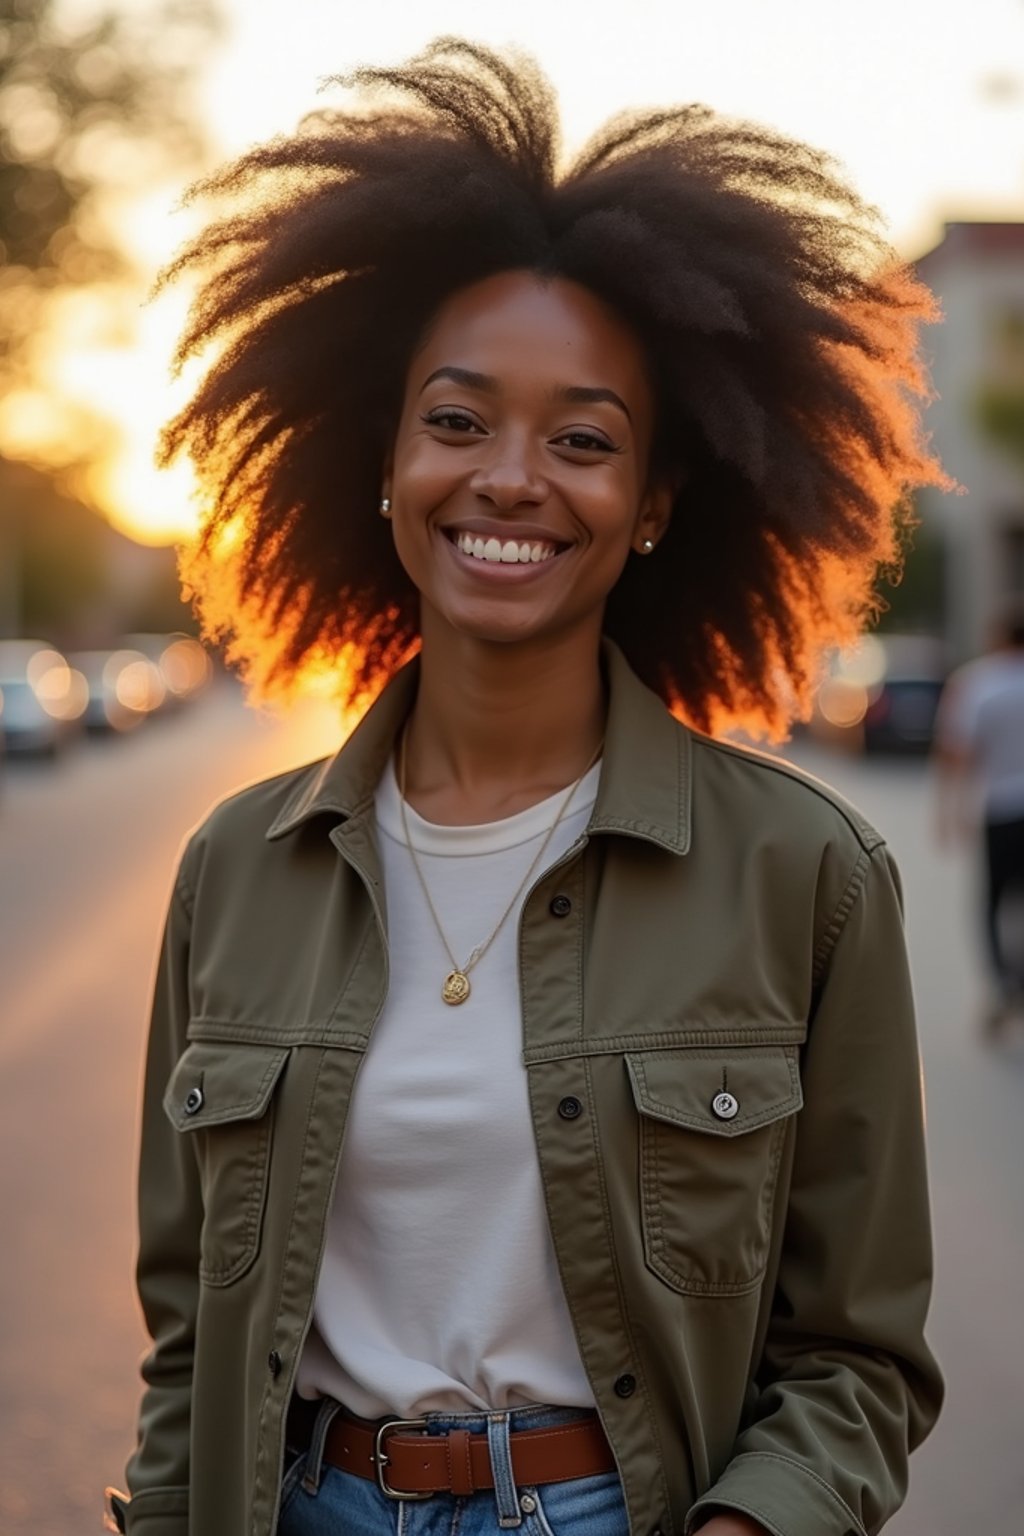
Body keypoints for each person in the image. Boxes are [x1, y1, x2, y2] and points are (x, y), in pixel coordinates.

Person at [107, 39, 945, 1536]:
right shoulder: (235, 865)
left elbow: (855, 1359)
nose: (510, 478)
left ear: (656, 505)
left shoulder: (803, 875)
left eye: (583, 440)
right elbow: (190, 1339)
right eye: (455, 419)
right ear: (379, 460)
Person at [935, 610, 1024, 1034]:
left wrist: (949, 810)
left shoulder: (979, 683)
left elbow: (957, 751)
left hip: (1001, 811)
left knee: (993, 903)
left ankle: (1004, 983)